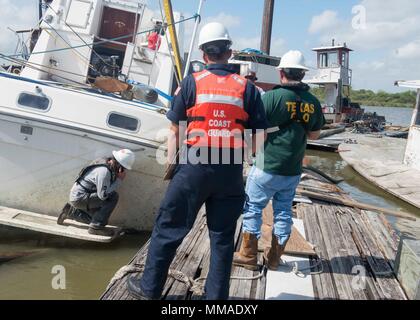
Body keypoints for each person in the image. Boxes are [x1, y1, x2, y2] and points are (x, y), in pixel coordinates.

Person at [127, 22, 268, 300]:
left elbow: (174, 130)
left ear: (204, 54)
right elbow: (260, 136)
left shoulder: (191, 83)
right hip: (229, 170)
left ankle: (150, 290)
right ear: (229, 52)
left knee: (168, 229)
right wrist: (243, 155)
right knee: (222, 239)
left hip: (193, 165)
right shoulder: (248, 89)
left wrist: (172, 165)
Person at [233, 50, 326, 270]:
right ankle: (274, 257)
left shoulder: (272, 97)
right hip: (292, 170)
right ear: (303, 74)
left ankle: (248, 256)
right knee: (283, 211)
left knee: (253, 208)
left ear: (281, 72)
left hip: (266, 166)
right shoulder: (313, 102)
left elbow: (254, 130)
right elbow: (314, 135)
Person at [57, 149, 135, 236]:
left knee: (95, 219)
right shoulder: (104, 172)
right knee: (113, 197)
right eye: (123, 168)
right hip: (80, 198)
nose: (123, 170)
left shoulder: (107, 163)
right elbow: (103, 195)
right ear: (119, 165)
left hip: (81, 196)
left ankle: (70, 212)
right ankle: (96, 228)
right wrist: (119, 180)